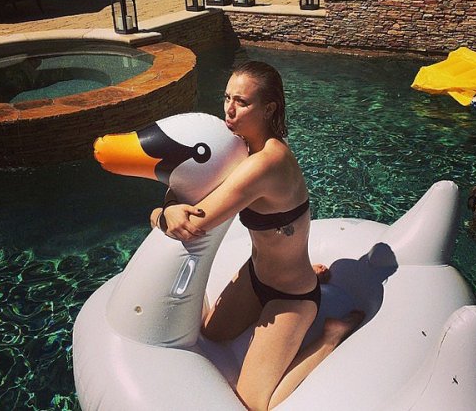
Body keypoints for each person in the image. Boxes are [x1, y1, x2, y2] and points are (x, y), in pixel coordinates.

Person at [150, 61, 364, 410]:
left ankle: (331, 336)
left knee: (253, 403)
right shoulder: (243, 149)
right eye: (226, 98)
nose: (229, 110)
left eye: (242, 102)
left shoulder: (265, 163)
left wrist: (159, 214)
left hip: (290, 295)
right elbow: (190, 183)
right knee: (211, 332)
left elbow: (194, 222)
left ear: (269, 109)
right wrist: (173, 202)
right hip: (255, 276)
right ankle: (310, 274)